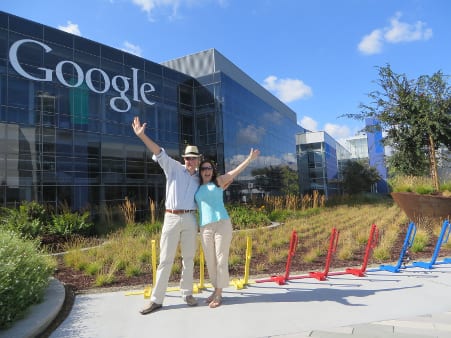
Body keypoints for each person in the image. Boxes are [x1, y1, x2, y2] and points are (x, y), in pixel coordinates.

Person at [132, 116, 201, 315]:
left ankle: (187, 293)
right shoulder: (173, 167)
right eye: (187, 158)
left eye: (194, 158)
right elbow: (158, 151)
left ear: (198, 160)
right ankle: (156, 300)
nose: (190, 161)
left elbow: (220, 182)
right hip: (171, 217)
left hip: (190, 218)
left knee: (189, 258)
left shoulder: (200, 177)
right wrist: (142, 136)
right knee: (165, 260)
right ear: (184, 158)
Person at [195, 148, 260, 308]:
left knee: (220, 259)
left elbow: (235, 172)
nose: (207, 171)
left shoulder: (218, 182)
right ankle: (215, 289)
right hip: (205, 227)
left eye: (209, 168)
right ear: (200, 172)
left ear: (213, 171)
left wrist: (249, 158)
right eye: (203, 168)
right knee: (210, 261)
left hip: (221, 223)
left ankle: (219, 293)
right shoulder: (196, 186)